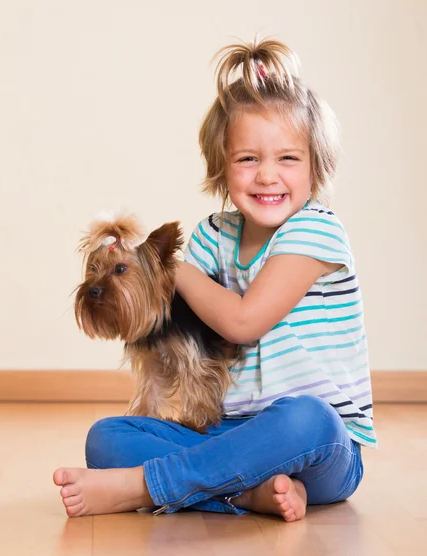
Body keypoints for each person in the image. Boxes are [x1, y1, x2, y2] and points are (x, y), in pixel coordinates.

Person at [53, 36, 377, 522]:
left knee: (305, 416)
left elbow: (242, 324)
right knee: (107, 437)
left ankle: (145, 486)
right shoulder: (211, 236)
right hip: (226, 436)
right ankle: (242, 493)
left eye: (288, 158)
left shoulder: (316, 229)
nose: (268, 175)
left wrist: (170, 267)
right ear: (222, 169)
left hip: (318, 449)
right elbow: (179, 326)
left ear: (316, 166)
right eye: (248, 159)